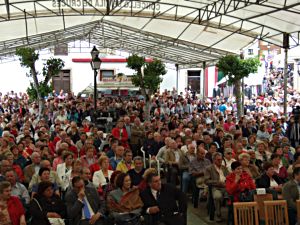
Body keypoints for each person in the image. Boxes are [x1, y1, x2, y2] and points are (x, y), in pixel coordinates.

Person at [204, 152, 229, 222]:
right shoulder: (209, 168)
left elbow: (229, 177)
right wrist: (218, 183)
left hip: (226, 187)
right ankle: (218, 214)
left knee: (234, 195)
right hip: (216, 187)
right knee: (217, 196)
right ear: (214, 160)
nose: (220, 161)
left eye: (221, 159)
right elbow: (206, 181)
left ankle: (232, 214)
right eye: (218, 160)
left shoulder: (224, 168)